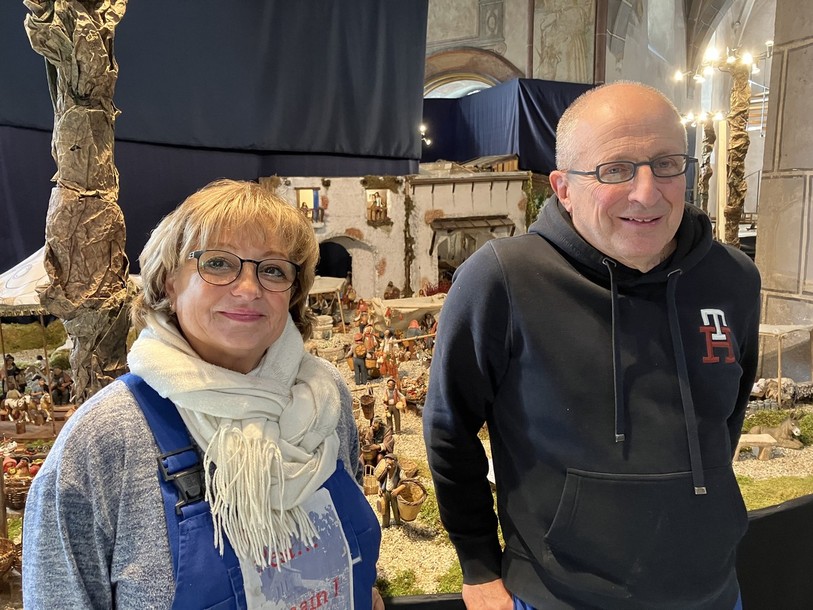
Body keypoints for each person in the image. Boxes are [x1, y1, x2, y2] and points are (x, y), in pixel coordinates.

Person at [423, 82, 761, 610]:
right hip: (557, 597)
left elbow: (724, 419)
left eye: (667, 164)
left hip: (713, 592)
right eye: (615, 169)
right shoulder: (502, 280)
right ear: (562, 187)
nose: (648, 193)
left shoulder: (734, 279)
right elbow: (450, 428)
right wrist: (479, 568)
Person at [24, 179, 384, 610]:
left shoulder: (326, 396)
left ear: (292, 293)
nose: (249, 288)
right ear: (168, 282)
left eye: (272, 269)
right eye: (217, 263)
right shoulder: (106, 439)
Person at [376, 453, 405, 528]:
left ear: (395, 462)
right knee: (384, 509)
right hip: (385, 492)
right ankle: (385, 524)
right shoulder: (385, 470)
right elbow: (379, 480)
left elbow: (405, 483)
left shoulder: (399, 471)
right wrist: (379, 488)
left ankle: (398, 523)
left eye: (389, 463)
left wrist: (397, 490)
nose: (388, 465)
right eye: (386, 462)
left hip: (394, 493)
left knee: (396, 508)